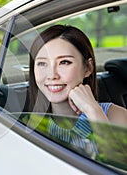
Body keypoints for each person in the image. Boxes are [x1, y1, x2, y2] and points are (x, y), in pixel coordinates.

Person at [28, 24, 127, 156]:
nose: (52, 75)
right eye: (42, 63)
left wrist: (93, 111)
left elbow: (117, 165)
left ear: (87, 68)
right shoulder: (26, 124)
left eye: (64, 62)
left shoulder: (116, 116)